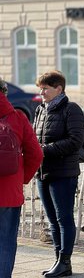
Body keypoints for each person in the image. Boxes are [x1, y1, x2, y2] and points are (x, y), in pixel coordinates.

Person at [33, 70, 84, 277]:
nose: (42, 93)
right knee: (52, 220)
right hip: (43, 172)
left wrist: (43, 150)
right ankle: (58, 261)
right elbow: (35, 137)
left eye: (45, 88)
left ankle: (65, 261)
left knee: (64, 219)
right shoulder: (40, 110)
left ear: (59, 89)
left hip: (63, 173)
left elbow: (75, 141)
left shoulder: (71, 109)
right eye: (40, 89)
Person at [0, 78, 43, 278]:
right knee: (6, 242)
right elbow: (36, 154)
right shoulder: (18, 117)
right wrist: (22, 179)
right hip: (9, 194)